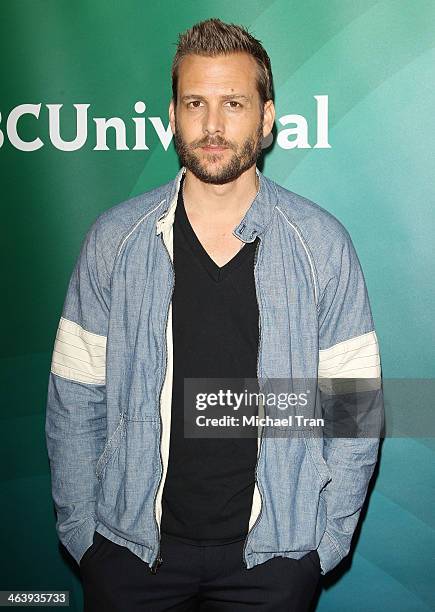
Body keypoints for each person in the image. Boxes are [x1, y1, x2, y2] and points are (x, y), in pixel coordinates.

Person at [45, 17, 383, 612]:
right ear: (172, 116)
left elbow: (353, 405)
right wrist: (85, 534)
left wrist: (322, 546)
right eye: (196, 103)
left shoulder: (320, 245)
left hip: (275, 561)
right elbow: (75, 396)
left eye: (234, 103)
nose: (214, 125)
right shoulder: (115, 241)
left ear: (268, 118)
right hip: (130, 558)